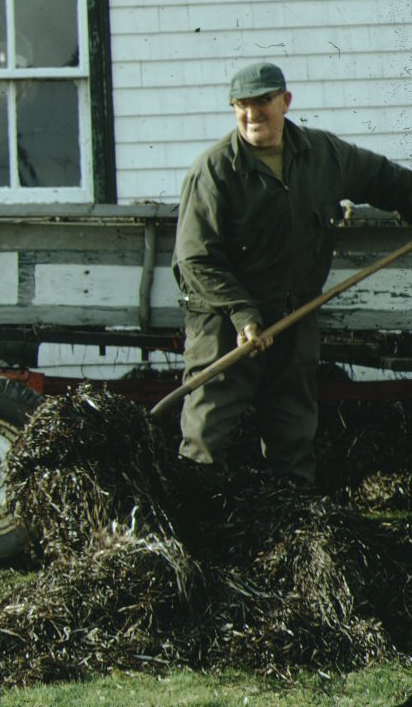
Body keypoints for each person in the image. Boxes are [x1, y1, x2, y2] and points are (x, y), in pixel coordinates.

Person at [171, 62, 412, 485]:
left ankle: (294, 521)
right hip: (224, 323)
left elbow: (387, 180)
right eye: (242, 105)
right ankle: (196, 523)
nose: (252, 114)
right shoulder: (213, 171)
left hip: (296, 315)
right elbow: (196, 260)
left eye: (263, 102)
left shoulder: (324, 156)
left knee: (293, 431)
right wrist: (244, 315)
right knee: (207, 435)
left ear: (285, 102)